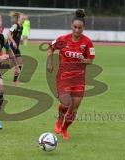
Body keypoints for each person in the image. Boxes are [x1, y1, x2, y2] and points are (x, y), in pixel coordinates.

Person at [46, 9, 95, 140]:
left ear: (84, 28)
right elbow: (50, 48)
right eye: (75, 27)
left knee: (75, 106)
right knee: (67, 103)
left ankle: (64, 129)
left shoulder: (87, 42)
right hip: (64, 76)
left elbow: (90, 59)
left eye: (80, 28)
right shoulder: (62, 39)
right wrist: (50, 62)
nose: (77, 30)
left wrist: (85, 60)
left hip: (79, 78)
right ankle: (59, 120)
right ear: (71, 26)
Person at [7, 12, 25, 85]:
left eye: (24, 18)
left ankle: (14, 81)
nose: (23, 19)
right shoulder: (15, 25)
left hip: (16, 48)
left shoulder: (22, 27)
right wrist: (13, 42)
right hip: (11, 47)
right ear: (19, 18)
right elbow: (8, 34)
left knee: (20, 63)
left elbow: (17, 36)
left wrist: (19, 41)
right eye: (22, 17)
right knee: (10, 65)